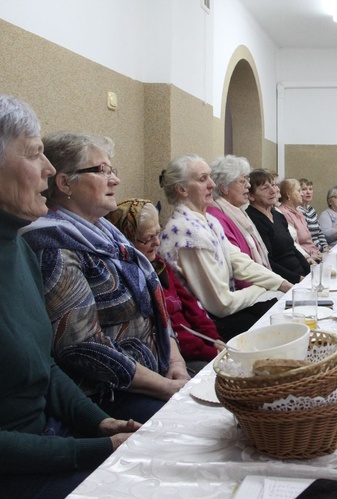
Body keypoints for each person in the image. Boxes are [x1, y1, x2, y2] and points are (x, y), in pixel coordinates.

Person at [0, 95, 140, 497]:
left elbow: (43, 368)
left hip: (55, 441)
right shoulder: (43, 245)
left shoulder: (17, 248)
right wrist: (94, 448)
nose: (48, 169)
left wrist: (100, 423)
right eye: (34, 154)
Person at [20, 132, 190, 424]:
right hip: (108, 397)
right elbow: (82, 346)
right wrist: (165, 387)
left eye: (113, 170)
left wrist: (175, 361)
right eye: (102, 171)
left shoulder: (107, 235)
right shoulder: (54, 247)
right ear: (64, 183)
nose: (115, 180)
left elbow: (152, 309)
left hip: (159, 376)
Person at [158, 155, 293, 341]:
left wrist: (282, 283)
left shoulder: (208, 221)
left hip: (225, 311)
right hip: (206, 324)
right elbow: (221, 304)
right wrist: (265, 289)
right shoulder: (187, 232)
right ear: (182, 189)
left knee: (284, 310)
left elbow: (240, 262)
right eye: (202, 179)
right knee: (280, 322)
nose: (212, 185)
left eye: (210, 177)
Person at [106, 199, 223, 371]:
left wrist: (214, 339)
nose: (157, 243)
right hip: (176, 355)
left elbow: (191, 306)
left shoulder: (159, 264)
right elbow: (166, 331)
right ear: (127, 239)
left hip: (198, 345)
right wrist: (210, 351)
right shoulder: (129, 278)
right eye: (148, 238)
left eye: (158, 234)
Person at [206, 155, 272, 289]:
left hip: (257, 285)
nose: (248, 185)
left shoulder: (239, 212)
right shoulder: (216, 216)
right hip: (244, 291)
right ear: (224, 188)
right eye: (242, 181)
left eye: (247, 180)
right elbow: (237, 268)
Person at [246, 169, 311, 282]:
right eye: (265, 188)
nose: (273, 191)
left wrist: (310, 272)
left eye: (273, 185)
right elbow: (267, 261)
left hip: (299, 274)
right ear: (251, 196)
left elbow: (292, 248)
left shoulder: (277, 215)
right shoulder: (253, 219)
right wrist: (298, 279)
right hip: (282, 281)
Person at [278, 178, 323, 263]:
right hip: (304, 260)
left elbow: (309, 240)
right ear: (288, 194)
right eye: (299, 191)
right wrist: (310, 256)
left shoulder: (298, 212)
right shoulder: (284, 213)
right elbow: (294, 243)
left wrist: (317, 252)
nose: (302, 194)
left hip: (314, 255)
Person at [298, 178, 329, 253]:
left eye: (310, 189)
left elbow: (320, 232)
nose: (308, 192)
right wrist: (322, 249)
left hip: (320, 249)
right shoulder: (298, 211)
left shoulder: (311, 210)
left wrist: (326, 247)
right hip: (310, 250)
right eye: (304, 189)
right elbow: (307, 238)